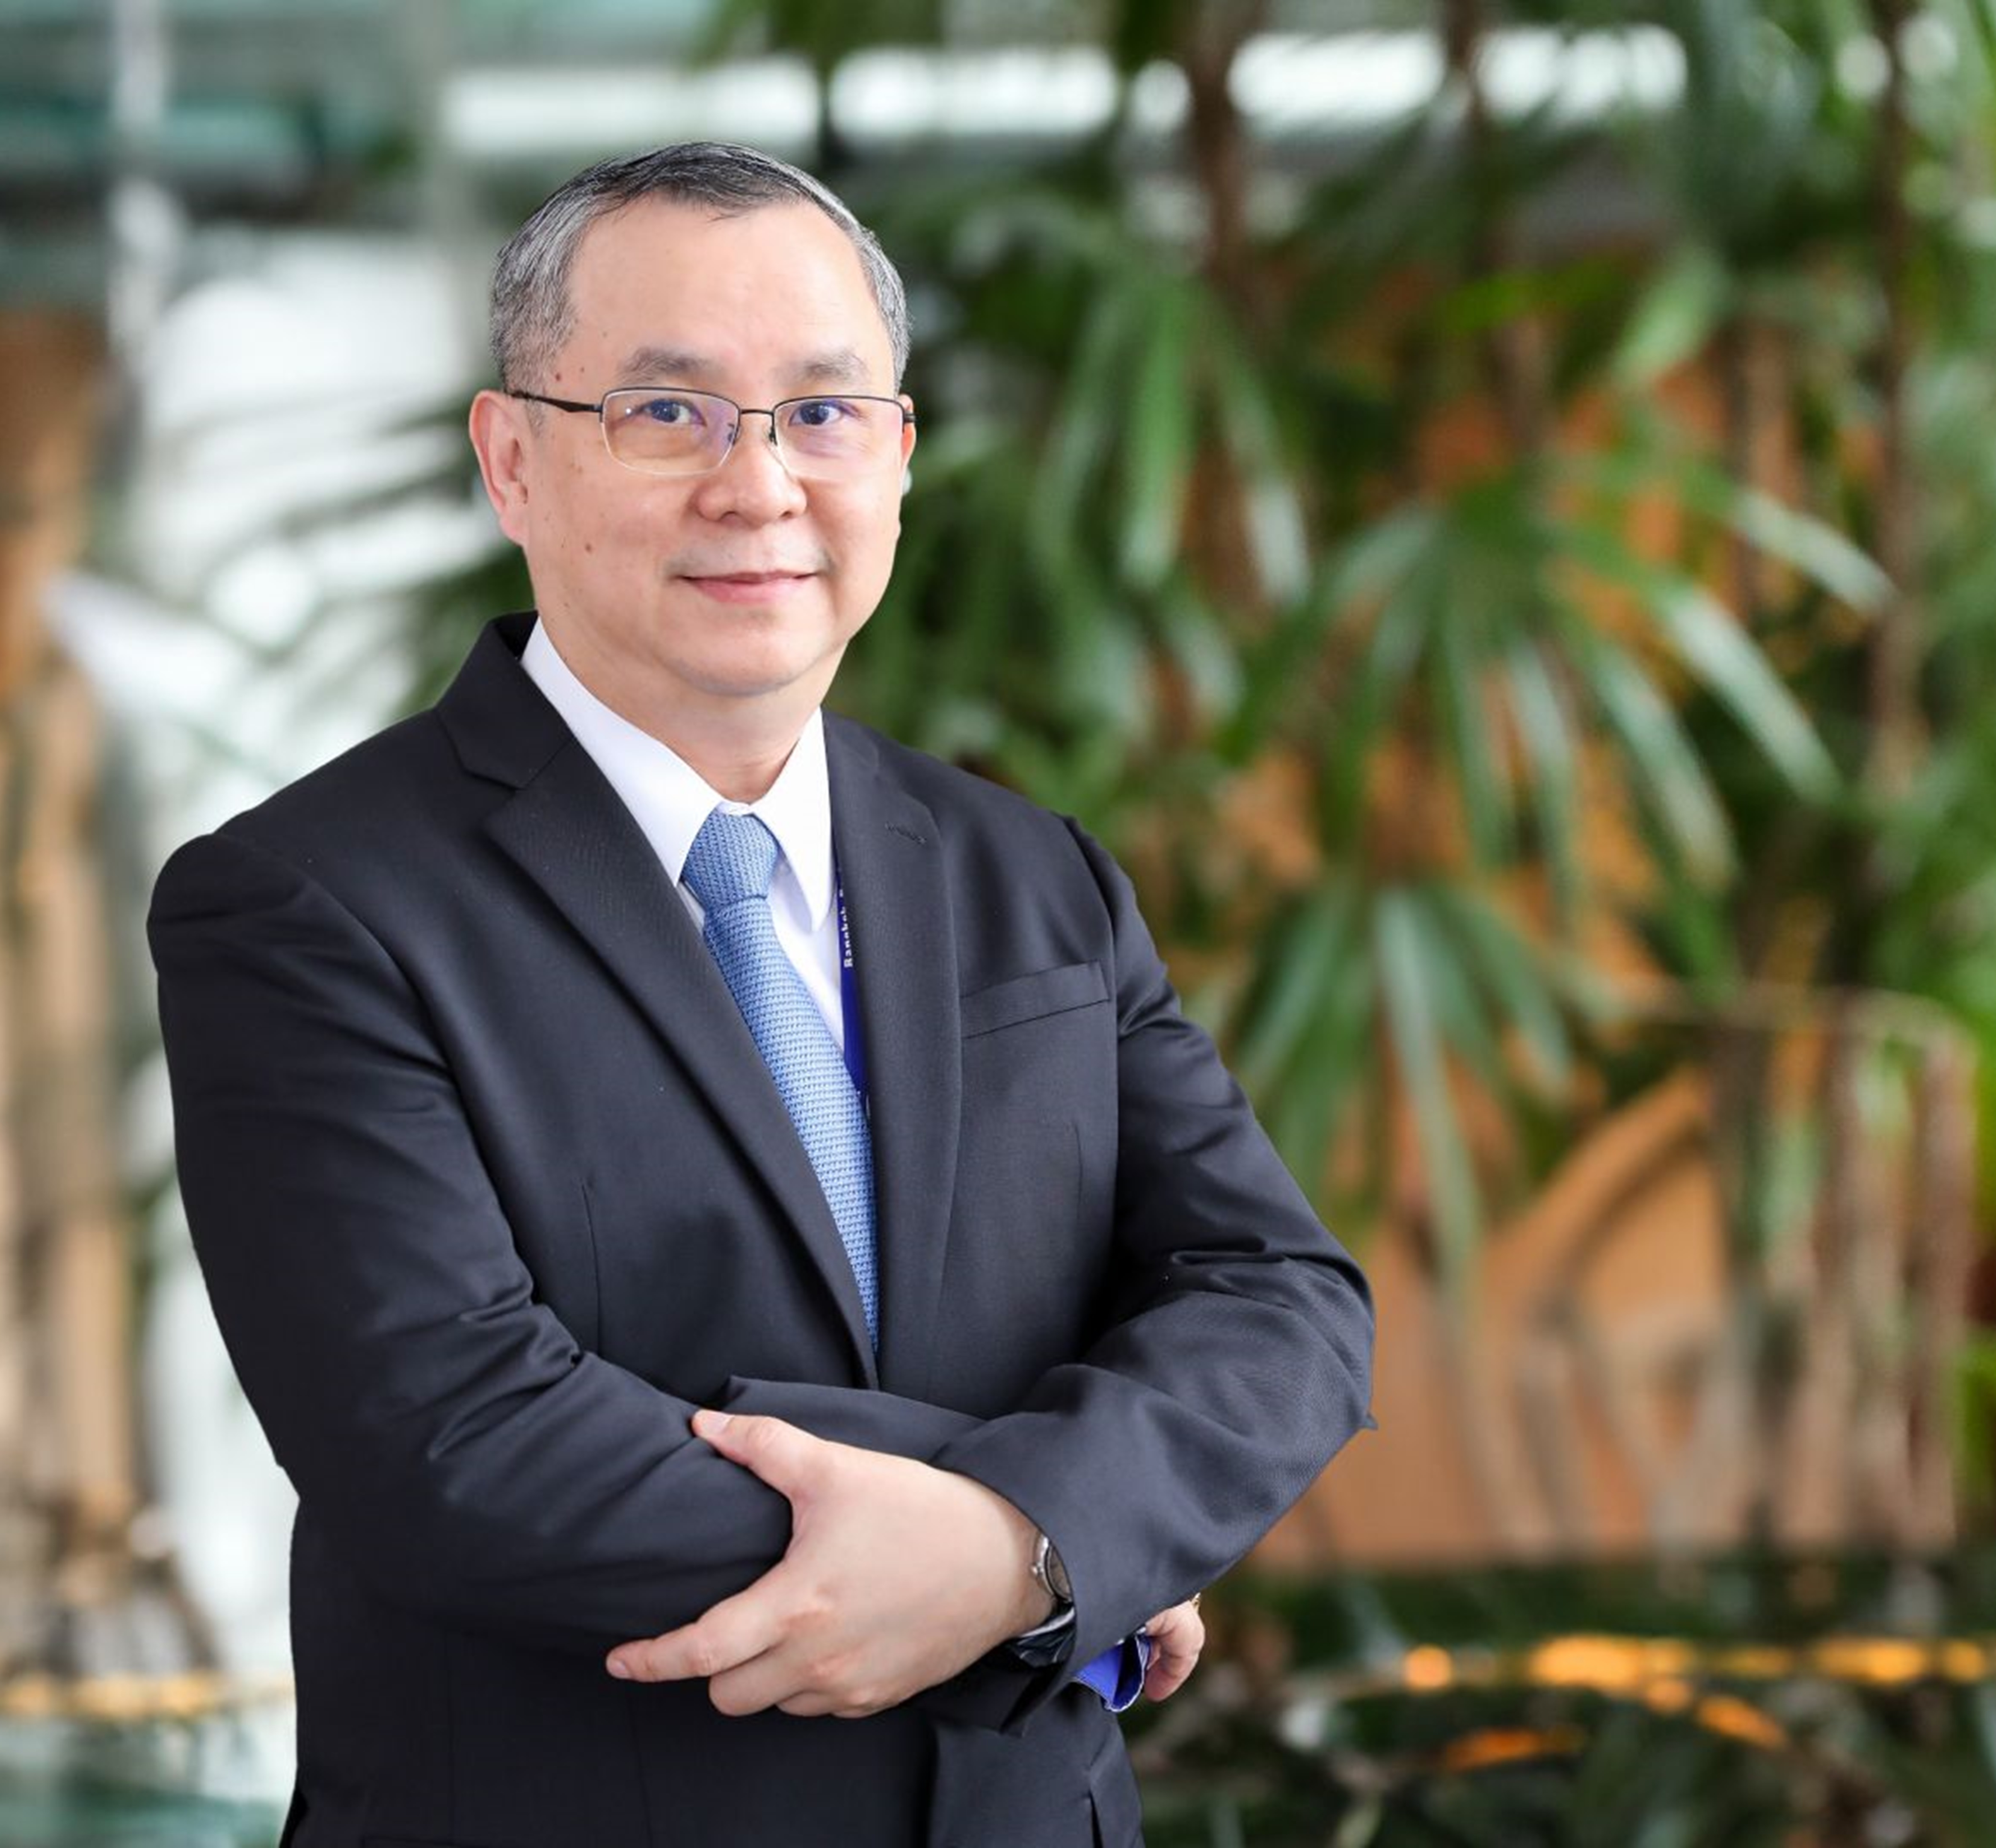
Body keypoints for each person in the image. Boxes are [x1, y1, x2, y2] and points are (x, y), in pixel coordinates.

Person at [148, 141, 1376, 1848]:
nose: (759, 483)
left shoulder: (1033, 875)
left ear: (900, 458)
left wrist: (1030, 1538)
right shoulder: (309, 905)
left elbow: (1280, 1300)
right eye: (667, 413)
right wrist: (1035, 1551)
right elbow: (448, 1433)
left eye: (822, 412)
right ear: (512, 461)